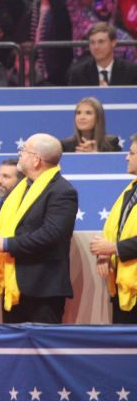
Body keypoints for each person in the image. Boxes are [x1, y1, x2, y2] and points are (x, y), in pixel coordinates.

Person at [0, 133, 78, 323]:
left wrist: (6, 244)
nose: (20, 154)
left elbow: (52, 234)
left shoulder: (62, 191)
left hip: (41, 289)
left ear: (36, 159)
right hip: (14, 287)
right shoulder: (22, 188)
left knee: (42, 349)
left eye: (24, 150)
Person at [91, 134, 137, 324]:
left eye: (132, 153)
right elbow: (115, 230)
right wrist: (105, 254)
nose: (127, 157)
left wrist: (114, 248)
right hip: (123, 286)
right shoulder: (131, 190)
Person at [67, 22, 137, 86]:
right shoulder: (78, 73)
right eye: (92, 42)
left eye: (101, 42)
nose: (96, 47)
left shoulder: (131, 71)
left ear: (113, 43)